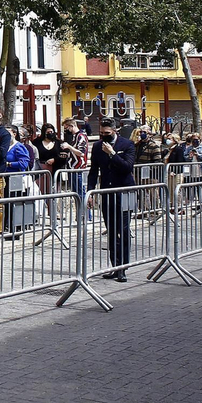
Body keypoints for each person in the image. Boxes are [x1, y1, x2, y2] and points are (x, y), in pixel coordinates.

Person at [89, 120, 137, 282]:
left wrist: (112, 154)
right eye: (101, 134)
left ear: (115, 131)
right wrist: (90, 192)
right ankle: (114, 266)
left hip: (124, 192)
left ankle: (123, 268)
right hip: (107, 192)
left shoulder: (127, 144)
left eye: (107, 134)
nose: (103, 137)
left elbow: (127, 167)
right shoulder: (97, 146)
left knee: (123, 230)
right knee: (111, 231)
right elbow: (94, 170)